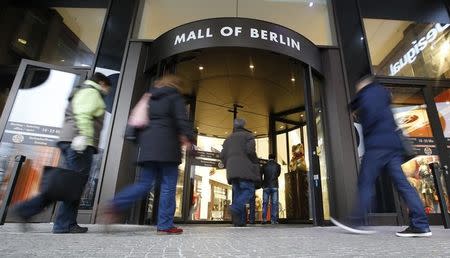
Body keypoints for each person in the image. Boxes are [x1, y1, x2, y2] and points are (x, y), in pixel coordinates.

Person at [331, 74, 431, 237]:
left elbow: (371, 115)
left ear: (364, 83)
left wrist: (360, 116)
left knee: (365, 182)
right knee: (403, 184)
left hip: (377, 145)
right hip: (392, 145)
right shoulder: (382, 93)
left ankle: (357, 221)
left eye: (358, 85)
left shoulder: (367, 94)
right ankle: (421, 224)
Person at [13, 72, 111, 233]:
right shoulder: (91, 92)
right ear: (101, 83)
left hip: (70, 140)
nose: (107, 91)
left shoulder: (83, 90)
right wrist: (84, 136)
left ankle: (40, 214)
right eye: (107, 87)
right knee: (74, 185)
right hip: (79, 142)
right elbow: (83, 115)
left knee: (67, 185)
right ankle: (60, 222)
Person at [104, 74, 194, 235]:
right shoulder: (174, 97)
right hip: (167, 147)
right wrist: (189, 139)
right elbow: (181, 120)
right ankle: (165, 225)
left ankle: (115, 203)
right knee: (168, 186)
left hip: (148, 147)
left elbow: (137, 121)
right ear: (176, 85)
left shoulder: (148, 97)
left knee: (144, 184)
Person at [220, 118, 261, 227]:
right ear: (244, 125)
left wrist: (228, 163)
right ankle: (235, 207)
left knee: (238, 193)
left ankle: (239, 222)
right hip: (245, 168)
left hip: (232, 170)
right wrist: (255, 162)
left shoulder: (227, 139)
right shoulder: (248, 136)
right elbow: (251, 151)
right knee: (248, 189)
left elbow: (222, 156)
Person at [261, 154, 281, 224]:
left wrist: (262, 184)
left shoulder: (264, 165)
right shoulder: (278, 166)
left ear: (268, 158)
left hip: (266, 186)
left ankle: (264, 219)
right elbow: (278, 175)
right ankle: (273, 220)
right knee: (274, 203)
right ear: (274, 158)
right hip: (274, 186)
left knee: (265, 203)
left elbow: (261, 175)